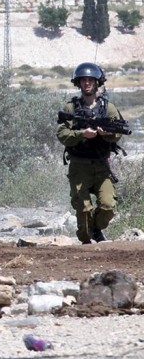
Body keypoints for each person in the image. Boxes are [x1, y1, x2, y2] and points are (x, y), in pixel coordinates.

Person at [57, 62, 123, 244]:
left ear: (97, 83)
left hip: (102, 166)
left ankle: (97, 228)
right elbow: (62, 134)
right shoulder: (71, 108)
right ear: (79, 83)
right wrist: (81, 134)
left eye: (90, 80)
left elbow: (119, 132)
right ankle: (87, 238)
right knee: (84, 213)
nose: (87, 84)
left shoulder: (108, 108)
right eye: (83, 80)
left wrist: (107, 133)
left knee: (108, 206)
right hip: (79, 167)